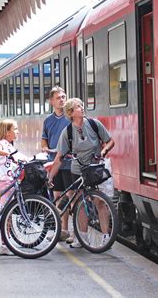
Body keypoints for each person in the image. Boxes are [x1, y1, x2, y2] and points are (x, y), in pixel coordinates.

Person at [48, 98, 115, 248]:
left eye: (81, 105)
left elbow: (110, 141)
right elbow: (59, 158)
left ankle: (106, 237)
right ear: (71, 113)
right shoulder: (68, 132)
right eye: (78, 107)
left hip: (96, 168)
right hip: (78, 170)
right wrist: (50, 176)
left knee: (100, 202)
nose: (82, 108)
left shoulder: (94, 124)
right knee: (79, 203)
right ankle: (82, 237)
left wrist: (104, 151)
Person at [41, 86, 72, 241]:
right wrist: (45, 148)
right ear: (51, 101)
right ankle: (62, 229)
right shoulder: (48, 120)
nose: (62, 100)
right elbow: (44, 139)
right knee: (58, 196)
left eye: (63, 97)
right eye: (58, 97)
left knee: (70, 196)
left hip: (68, 163)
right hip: (53, 162)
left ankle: (68, 229)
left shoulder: (70, 118)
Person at [0, 119, 27, 256]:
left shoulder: (10, 145)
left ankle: (7, 240)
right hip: (4, 182)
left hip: (11, 181)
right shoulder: (2, 144)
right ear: (7, 132)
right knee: (6, 213)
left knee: (7, 211)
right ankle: (4, 244)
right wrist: (9, 155)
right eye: (15, 129)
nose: (18, 131)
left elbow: (22, 157)